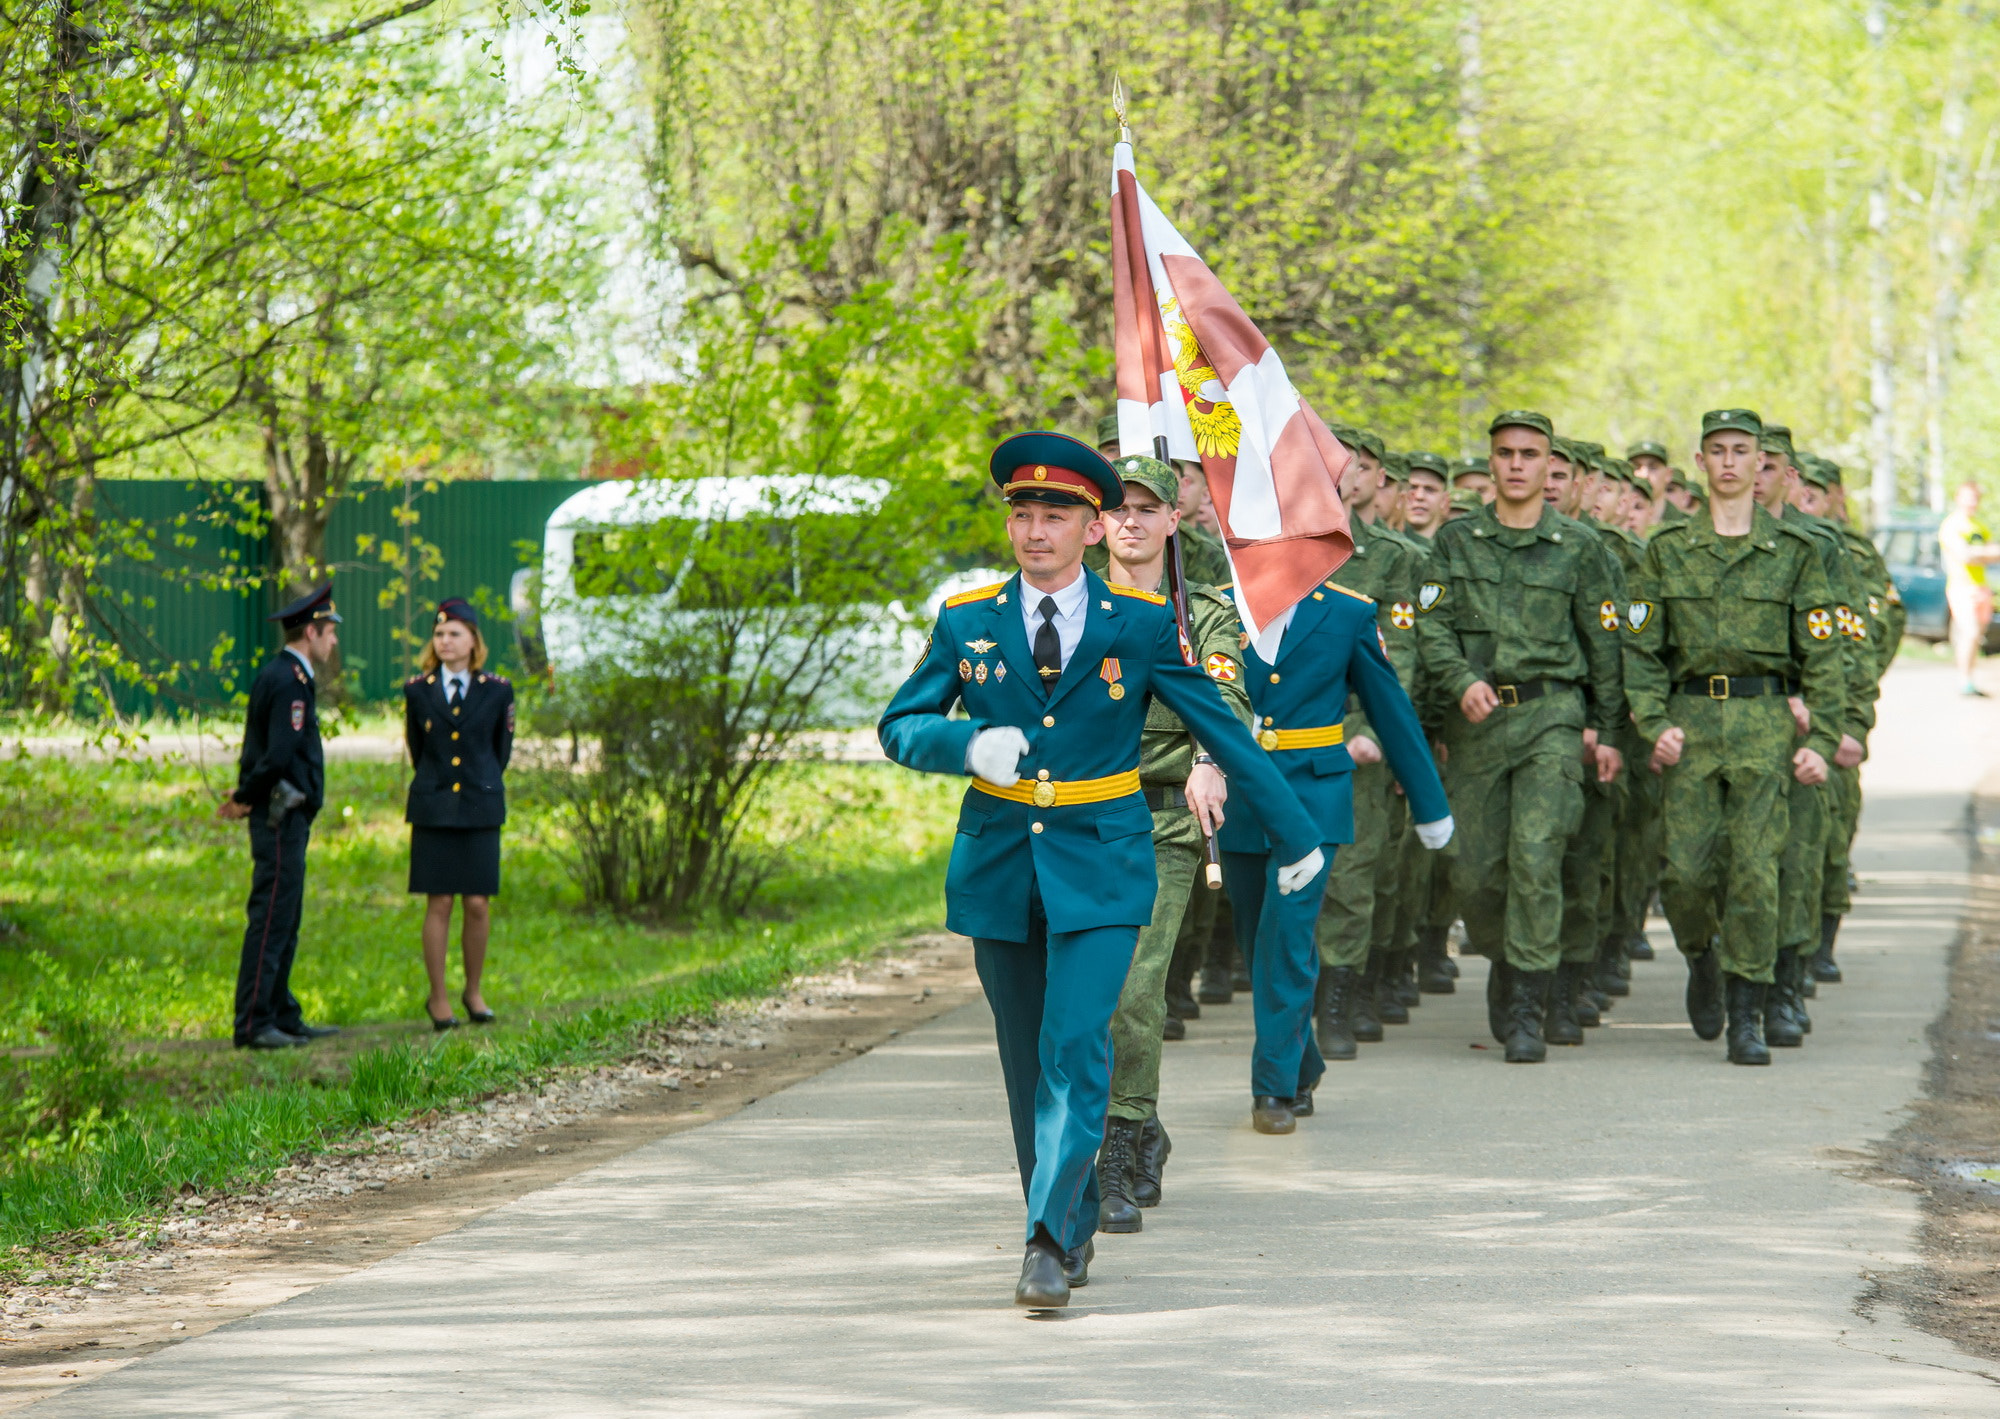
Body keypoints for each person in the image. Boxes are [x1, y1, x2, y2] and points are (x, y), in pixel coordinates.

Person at [878, 431, 1321, 1310]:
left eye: (1058, 515)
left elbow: (1223, 729)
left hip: (1107, 863)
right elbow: (898, 724)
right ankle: (1068, 1216)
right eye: (1023, 514)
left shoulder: (1143, 625)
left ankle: (1044, 1242)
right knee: (1022, 1063)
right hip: (1002, 868)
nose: (1036, 530)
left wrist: (1297, 831)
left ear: (1093, 528)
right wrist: (965, 740)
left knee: (1077, 1047)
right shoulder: (967, 621)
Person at [1623, 410, 1844, 1066]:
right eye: (1716, 450)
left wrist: (1824, 737)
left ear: (1758, 462)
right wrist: (1653, 722)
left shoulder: (1798, 554)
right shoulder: (1666, 550)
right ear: (1700, 460)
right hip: (1691, 722)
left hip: (1764, 721)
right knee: (1686, 872)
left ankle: (1746, 1009)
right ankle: (1702, 954)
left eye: (1740, 450)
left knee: (1756, 869)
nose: (1728, 461)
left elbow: (1826, 656)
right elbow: (1641, 648)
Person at [1413, 411, 1626, 1063]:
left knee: (1537, 857)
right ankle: (1509, 963)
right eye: (1504, 452)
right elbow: (1432, 624)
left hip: (1550, 717)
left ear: (1547, 463)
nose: (1515, 464)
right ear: (1491, 460)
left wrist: (1609, 729)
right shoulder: (1456, 542)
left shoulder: (1581, 547)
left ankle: (1531, 1004)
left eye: (1529, 454)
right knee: (1475, 870)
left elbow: (1604, 644)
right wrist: (1456, 680)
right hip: (1477, 724)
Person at [1093, 454, 1243, 1231]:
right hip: (1075, 821)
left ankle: (1115, 1153)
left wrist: (1211, 761)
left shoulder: (1202, 614)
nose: (1131, 521)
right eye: (1118, 508)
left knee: (1134, 991)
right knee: (1079, 1002)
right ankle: (1138, 1119)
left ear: (1172, 519)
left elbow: (1225, 697)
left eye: (1147, 508)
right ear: (1097, 521)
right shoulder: (1068, 603)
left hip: (1163, 821)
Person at [1309, 428, 1429, 1058]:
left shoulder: (1394, 559)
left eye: (1355, 466)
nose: (1341, 474)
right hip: (1283, 740)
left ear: (1371, 480)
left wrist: (1366, 731)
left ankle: (1339, 998)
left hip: (1358, 739)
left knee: (1354, 879)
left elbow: (1398, 657)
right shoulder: (1272, 549)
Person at [216, 582, 343, 1050]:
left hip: (287, 814)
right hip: (278, 814)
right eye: (329, 632)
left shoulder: (292, 677)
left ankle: (281, 1012)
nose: (333, 642)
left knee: (285, 917)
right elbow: (277, 755)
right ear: (311, 631)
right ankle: (253, 1022)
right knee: (270, 917)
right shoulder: (289, 680)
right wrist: (246, 796)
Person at [404, 598, 516, 1031]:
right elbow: (418, 748)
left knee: (476, 903)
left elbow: (499, 751)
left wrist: (478, 782)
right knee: (440, 902)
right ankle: (439, 997)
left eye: (454, 634)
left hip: (480, 803)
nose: (445, 641)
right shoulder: (418, 690)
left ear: (473, 641)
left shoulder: (497, 689)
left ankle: (474, 990)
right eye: (439, 634)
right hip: (433, 807)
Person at [1939, 481, 1999, 696]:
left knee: (1977, 634)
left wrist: (1978, 553)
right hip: (1961, 587)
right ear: (1958, 497)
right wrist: (1983, 553)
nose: (1972, 501)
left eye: (1975, 497)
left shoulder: (1979, 525)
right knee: (1970, 632)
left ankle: (1970, 677)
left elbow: (1994, 553)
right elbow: (1964, 555)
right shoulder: (1952, 525)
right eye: (1968, 497)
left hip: (1982, 587)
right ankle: (1964, 680)